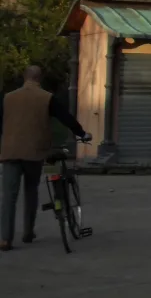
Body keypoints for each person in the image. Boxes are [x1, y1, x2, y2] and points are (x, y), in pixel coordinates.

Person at [0, 64, 91, 251]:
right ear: (39, 79)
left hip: (9, 152)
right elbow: (65, 117)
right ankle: (27, 232)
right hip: (34, 152)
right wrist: (81, 133)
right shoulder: (46, 98)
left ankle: (5, 239)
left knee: (9, 196)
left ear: (24, 78)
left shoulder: (8, 98)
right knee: (31, 191)